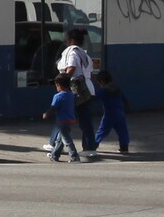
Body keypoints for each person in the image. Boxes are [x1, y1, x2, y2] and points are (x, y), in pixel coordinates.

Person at [57, 28, 100, 156]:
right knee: (84, 119)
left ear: (72, 40)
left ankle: (56, 144)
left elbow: (71, 69)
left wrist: (60, 81)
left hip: (77, 91)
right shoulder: (84, 54)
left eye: (66, 40)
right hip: (87, 90)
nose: (65, 42)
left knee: (64, 117)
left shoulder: (73, 53)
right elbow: (91, 74)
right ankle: (89, 146)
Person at [45, 72, 86, 161]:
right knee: (60, 139)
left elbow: (53, 108)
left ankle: (74, 157)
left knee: (67, 140)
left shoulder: (58, 96)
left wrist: (46, 114)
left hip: (62, 121)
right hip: (70, 120)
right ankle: (55, 155)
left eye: (56, 85)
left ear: (59, 85)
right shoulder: (71, 95)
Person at [93, 61, 131, 155]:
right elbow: (124, 99)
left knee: (102, 131)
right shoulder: (116, 88)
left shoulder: (104, 90)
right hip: (120, 113)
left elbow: (94, 97)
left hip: (109, 114)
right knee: (122, 131)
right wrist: (127, 109)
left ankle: (93, 146)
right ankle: (124, 148)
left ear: (101, 82)